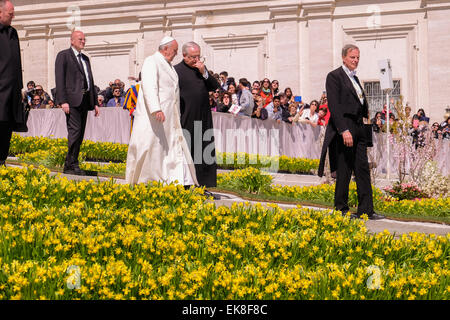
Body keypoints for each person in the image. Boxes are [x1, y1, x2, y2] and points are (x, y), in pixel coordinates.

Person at [318, 44, 384, 220]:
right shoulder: (334, 76)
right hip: (345, 127)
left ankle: (366, 210)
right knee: (344, 169)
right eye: (352, 57)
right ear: (344, 58)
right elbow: (334, 105)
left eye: (357, 58)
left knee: (362, 169)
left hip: (359, 128)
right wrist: (343, 129)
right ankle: (341, 209)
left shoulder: (355, 79)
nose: (355, 60)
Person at [126, 36, 198, 187]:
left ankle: (174, 180)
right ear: (165, 49)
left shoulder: (169, 65)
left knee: (169, 149)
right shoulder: (151, 61)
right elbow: (149, 86)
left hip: (169, 117)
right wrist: (155, 108)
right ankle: (148, 181)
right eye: (174, 51)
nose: (176, 54)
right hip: (155, 116)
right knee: (152, 148)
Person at [174, 41, 221, 195]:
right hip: (186, 117)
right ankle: (186, 185)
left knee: (204, 151)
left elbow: (214, 86)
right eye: (193, 57)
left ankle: (202, 186)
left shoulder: (201, 69)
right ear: (184, 55)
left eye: (198, 56)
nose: (196, 60)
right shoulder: (176, 71)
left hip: (203, 117)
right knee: (188, 152)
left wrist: (204, 73)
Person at [55, 30, 100, 176]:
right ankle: (72, 164)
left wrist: (94, 103)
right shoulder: (64, 56)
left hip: (85, 101)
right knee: (74, 133)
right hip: (71, 102)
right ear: (72, 41)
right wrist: (63, 101)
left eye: (84, 39)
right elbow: (60, 79)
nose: (83, 41)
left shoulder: (86, 59)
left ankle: (70, 164)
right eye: (80, 39)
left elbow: (90, 80)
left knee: (79, 134)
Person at [0, 0, 28, 166]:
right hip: (0, 90)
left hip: (13, 91)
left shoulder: (13, 33)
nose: (13, 17)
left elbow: (17, 63)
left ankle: (2, 160)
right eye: (11, 14)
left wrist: (20, 88)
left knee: (8, 126)